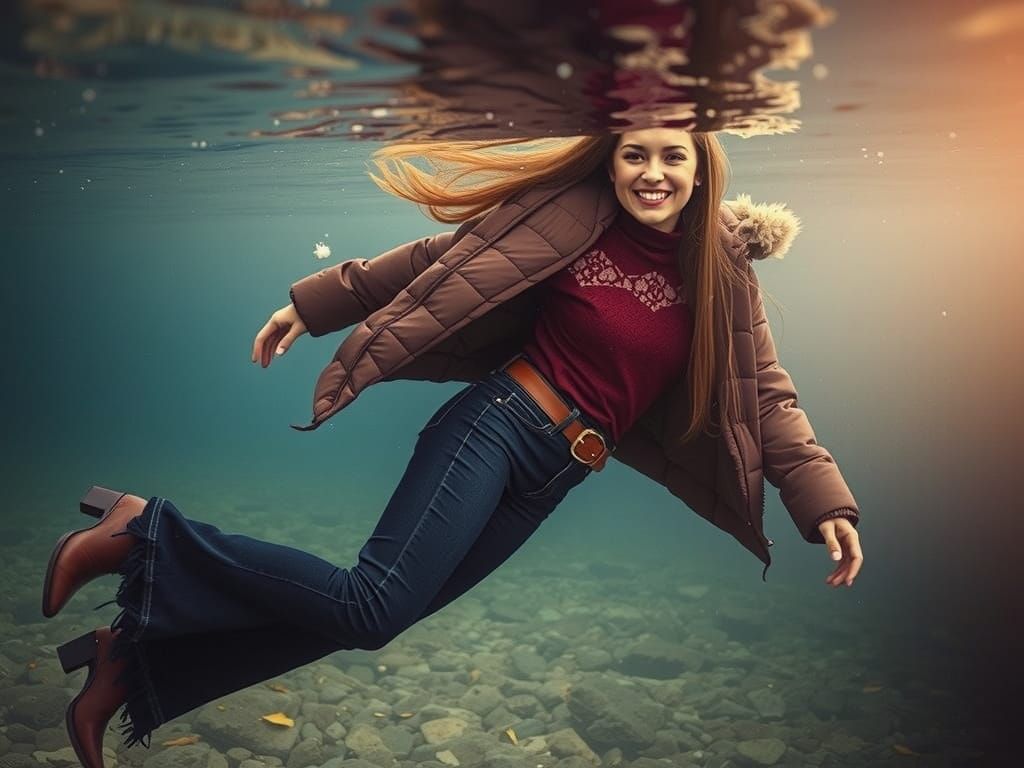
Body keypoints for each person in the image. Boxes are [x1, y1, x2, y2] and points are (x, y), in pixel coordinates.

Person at [41, 127, 863, 768]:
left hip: (557, 475)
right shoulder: (572, 219)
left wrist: (821, 502)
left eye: (671, 157)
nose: (652, 172)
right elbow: (441, 261)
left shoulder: (723, 275)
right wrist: (317, 304)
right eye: (634, 154)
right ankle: (140, 530)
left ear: (702, 164)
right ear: (611, 162)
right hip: (499, 424)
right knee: (369, 602)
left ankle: (127, 667)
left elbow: (766, 396)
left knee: (370, 622)